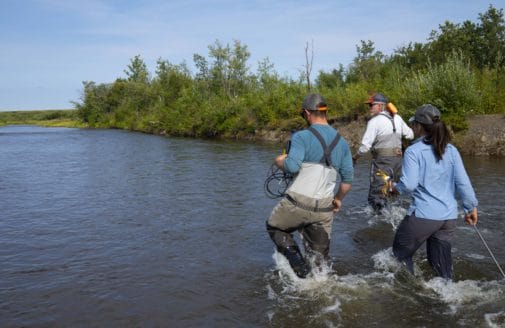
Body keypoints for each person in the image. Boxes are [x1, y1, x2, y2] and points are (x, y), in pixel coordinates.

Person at [266, 93, 353, 278]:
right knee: (320, 261)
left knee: (274, 226)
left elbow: (292, 166)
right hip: (324, 209)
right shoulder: (343, 143)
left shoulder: (302, 136)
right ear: (325, 112)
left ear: (307, 113)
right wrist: (337, 200)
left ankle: (298, 265)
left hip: (297, 204)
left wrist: (279, 160)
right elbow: (347, 182)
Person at [391, 104, 478, 279]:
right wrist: (471, 208)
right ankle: (447, 297)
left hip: (423, 215)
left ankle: (408, 293)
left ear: (418, 126)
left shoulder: (413, 151)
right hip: (448, 218)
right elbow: (463, 183)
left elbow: (408, 184)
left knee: (399, 256)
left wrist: (395, 188)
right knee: (441, 267)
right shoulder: (452, 150)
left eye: (414, 124)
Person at [353, 92, 414, 213]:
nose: (369, 108)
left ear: (381, 106)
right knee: (392, 192)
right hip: (398, 162)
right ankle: (393, 217)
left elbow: (365, 147)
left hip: (382, 163)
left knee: (376, 196)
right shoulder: (398, 118)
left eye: (371, 105)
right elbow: (411, 135)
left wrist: (355, 157)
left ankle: (379, 221)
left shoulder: (374, 121)